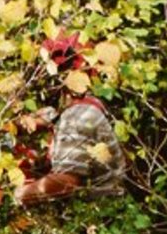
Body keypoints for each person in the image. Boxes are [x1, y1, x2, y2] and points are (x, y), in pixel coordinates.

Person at [13, 33, 126, 208]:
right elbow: (48, 117)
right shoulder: (77, 106)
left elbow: (66, 183)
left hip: (100, 215)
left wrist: (16, 196)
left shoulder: (78, 116)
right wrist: (12, 127)